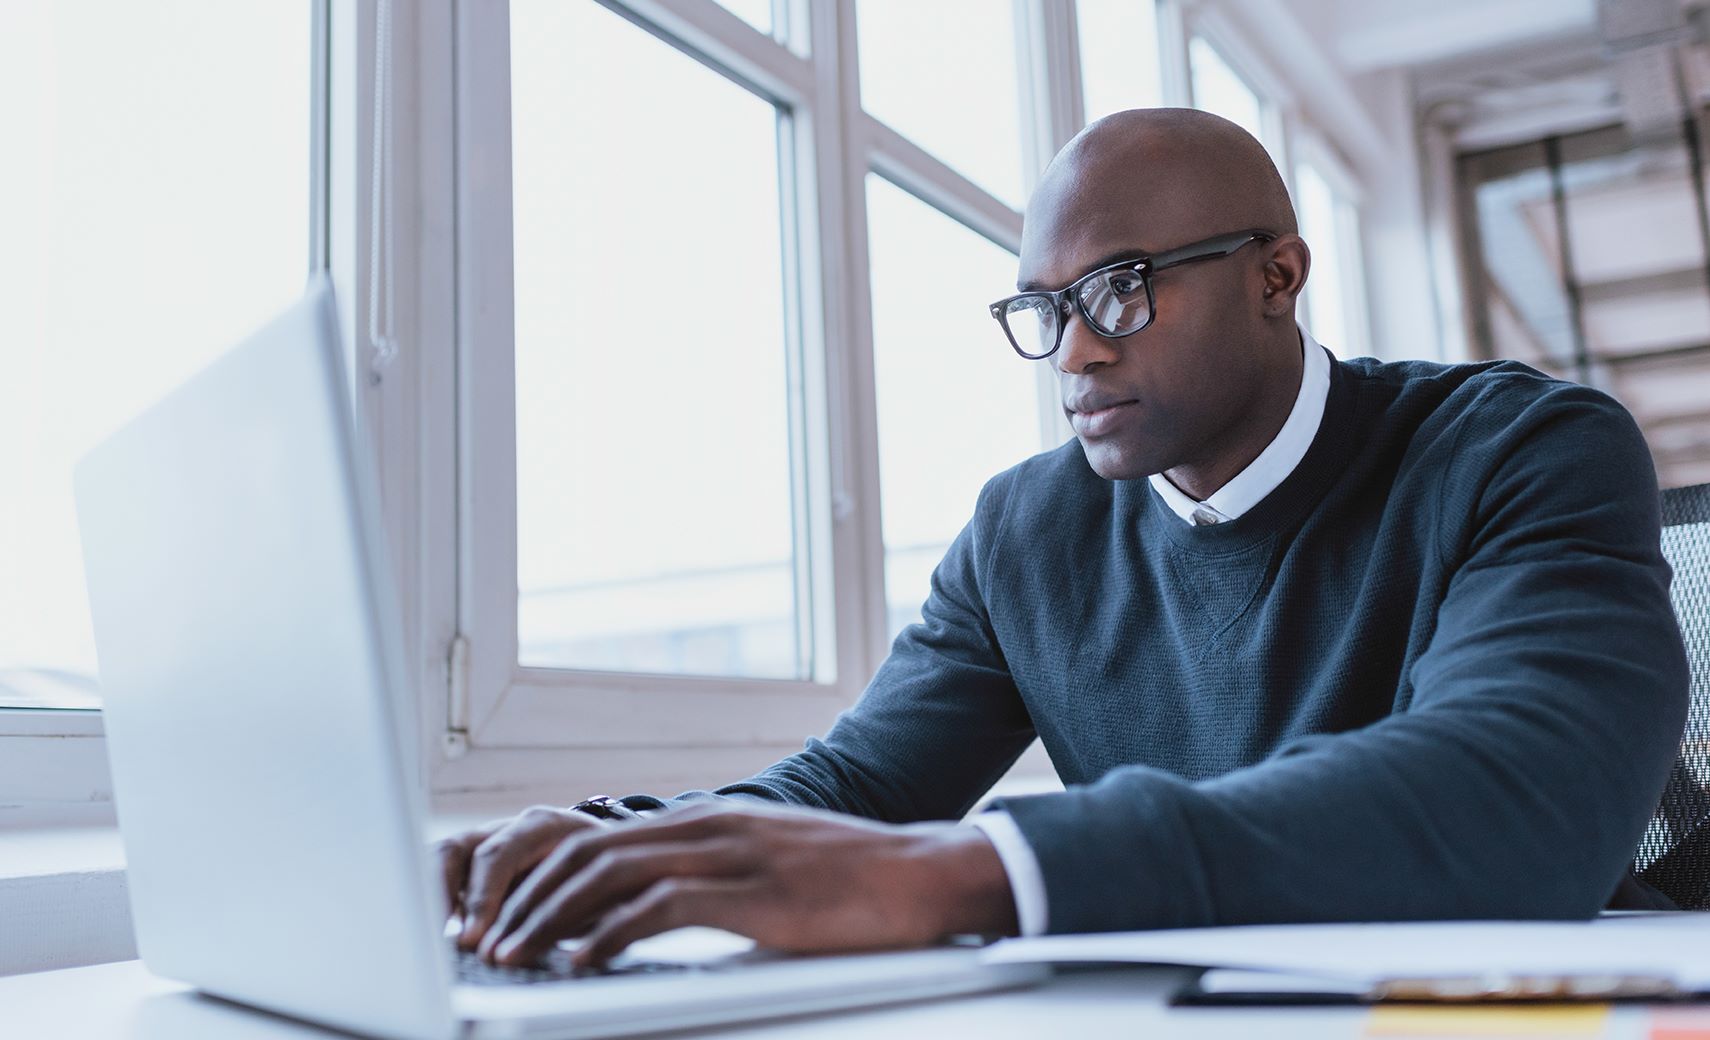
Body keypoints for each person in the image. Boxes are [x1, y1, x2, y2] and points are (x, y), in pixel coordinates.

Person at [439, 108, 1690, 972]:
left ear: (1278, 275)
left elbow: (1522, 797)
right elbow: (859, 792)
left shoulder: (1522, 447)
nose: (1078, 348)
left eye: (1121, 287)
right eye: (1044, 308)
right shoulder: (1023, 530)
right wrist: (613, 839)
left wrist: (972, 871)